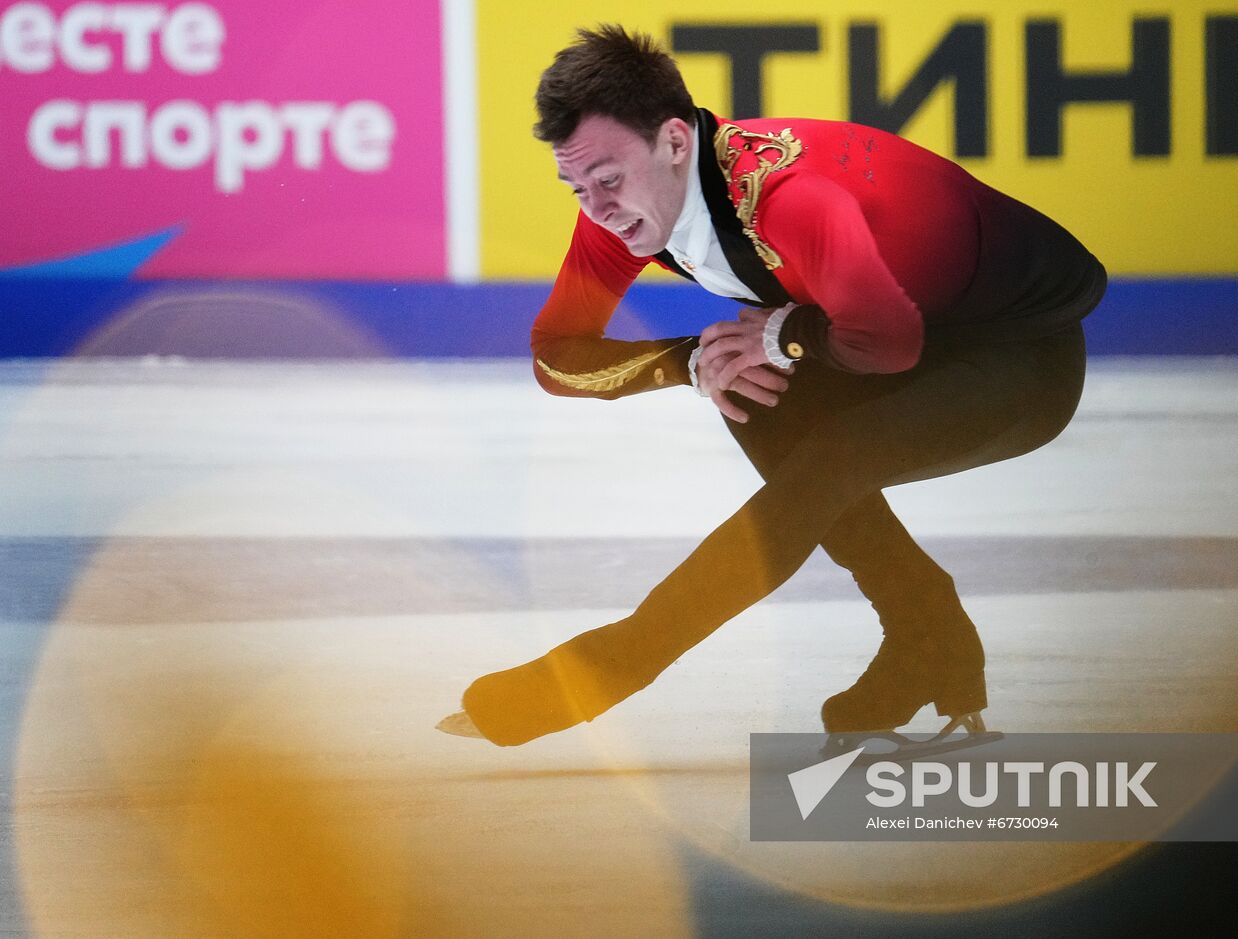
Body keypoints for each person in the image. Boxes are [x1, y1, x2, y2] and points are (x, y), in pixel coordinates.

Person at [438, 25, 1105, 746]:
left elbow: (888, 338)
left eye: (606, 180)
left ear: (672, 141)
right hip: (891, 332)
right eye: (576, 186)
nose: (595, 208)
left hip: (1020, 355)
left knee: (833, 449)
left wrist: (785, 336)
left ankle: (613, 664)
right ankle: (927, 636)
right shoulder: (622, 209)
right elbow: (556, 357)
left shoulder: (791, 196)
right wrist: (691, 360)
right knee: (750, 390)